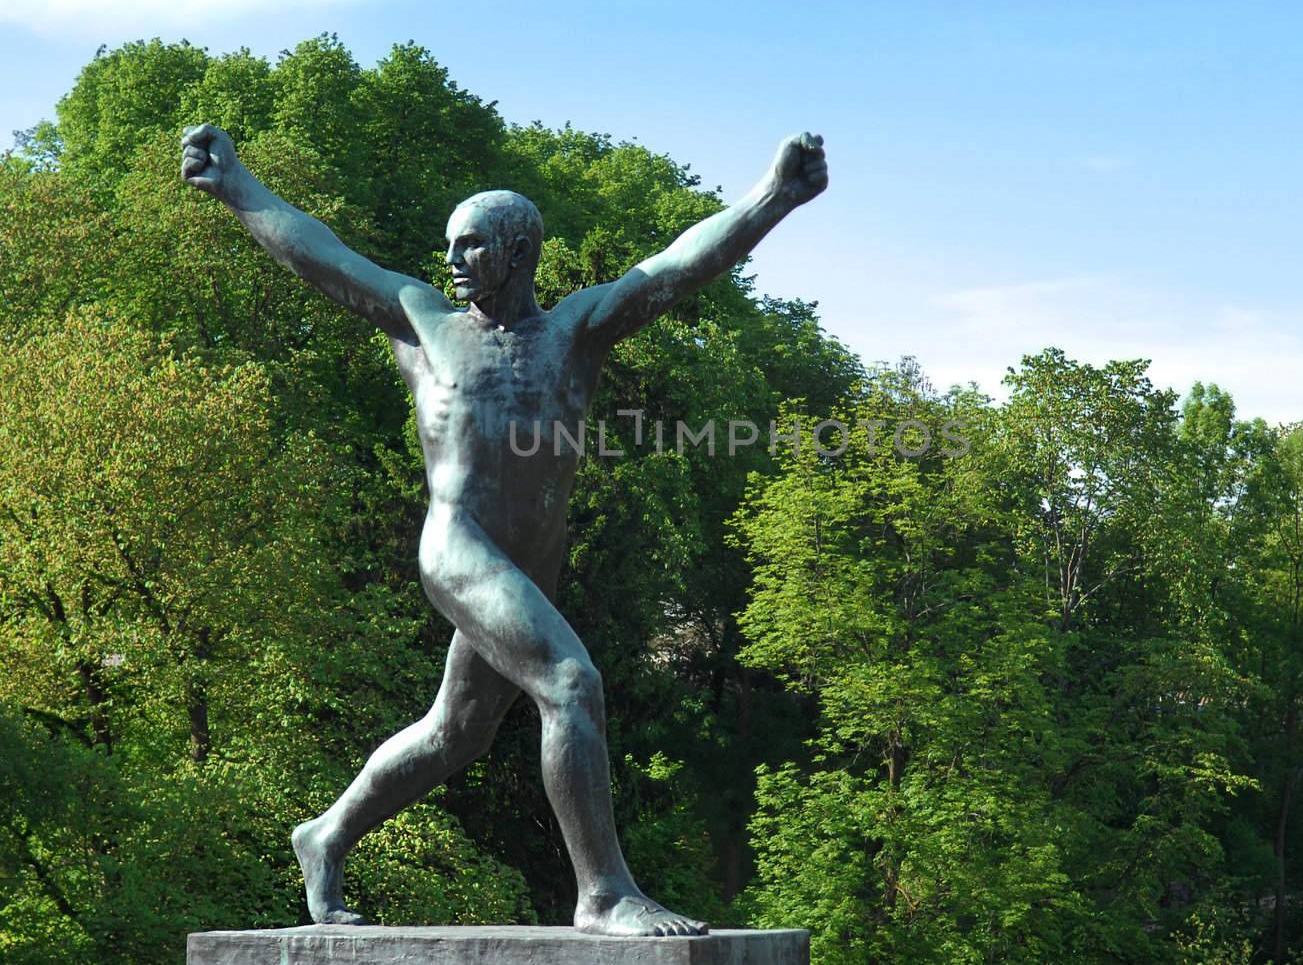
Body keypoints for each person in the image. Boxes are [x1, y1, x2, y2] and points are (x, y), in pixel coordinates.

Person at [180, 122, 827, 937]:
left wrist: (771, 198)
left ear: (518, 252)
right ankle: (602, 894)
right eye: (449, 246)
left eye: (471, 245)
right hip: (458, 547)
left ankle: (327, 832)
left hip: (528, 564)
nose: (451, 260)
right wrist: (237, 184)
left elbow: (676, 266)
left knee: (457, 731)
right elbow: (321, 251)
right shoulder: (424, 323)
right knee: (570, 681)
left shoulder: (574, 333)